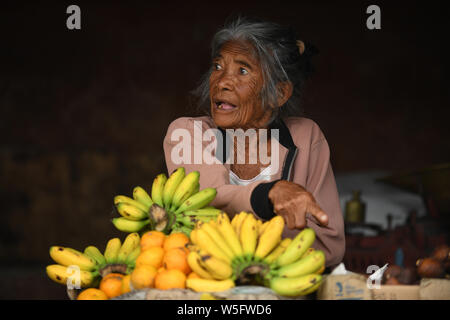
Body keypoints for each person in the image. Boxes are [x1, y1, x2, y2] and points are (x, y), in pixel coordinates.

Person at [163, 17, 345, 267]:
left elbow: (329, 246)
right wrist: (269, 195)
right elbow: (208, 197)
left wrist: (259, 250)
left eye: (243, 70)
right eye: (217, 67)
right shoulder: (187, 133)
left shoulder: (306, 136)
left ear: (279, 93)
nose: (222, 82)